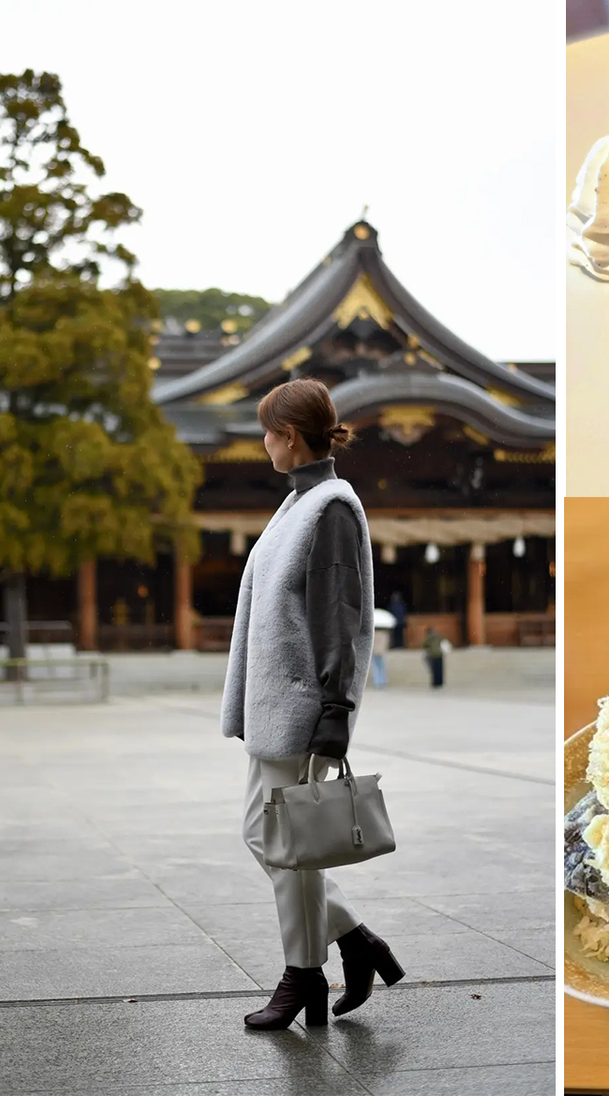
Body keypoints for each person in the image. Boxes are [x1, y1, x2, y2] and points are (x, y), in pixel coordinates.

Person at [220, 377, 405, 1032]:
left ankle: (303, 976)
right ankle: (355, 941)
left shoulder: (330, 507)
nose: (263, 444)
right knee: (265, 835)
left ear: (288, 436)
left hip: (301, 708)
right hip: (274, 709)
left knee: (287, 846)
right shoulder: (299, 502)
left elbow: (341, 617)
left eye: (267, 432)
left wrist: (334, 711)